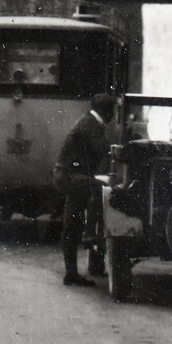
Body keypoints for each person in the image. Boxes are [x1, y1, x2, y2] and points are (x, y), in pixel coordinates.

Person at [54, 93, 115, 286]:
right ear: (105, 110)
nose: (114, 114)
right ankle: (90, 235)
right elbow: (103, 149)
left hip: (71, 176)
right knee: (102, 189)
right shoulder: (91, 124)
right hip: (70, 176)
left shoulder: (90, 122)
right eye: (112, 109)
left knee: (72, 223)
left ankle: (79, 270)